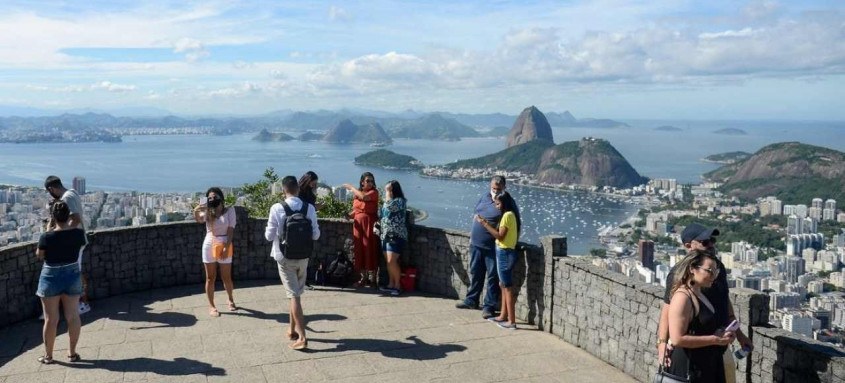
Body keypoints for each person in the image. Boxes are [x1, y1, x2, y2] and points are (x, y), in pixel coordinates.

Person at [657, 223, 753, 382]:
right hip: (694, 357)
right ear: (689, 246)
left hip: (717, 351)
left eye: (712, 240)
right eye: (705, 242)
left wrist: (740, 334)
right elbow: (667, 311)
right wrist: (661, 344)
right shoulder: (678, 276)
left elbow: (724, 301)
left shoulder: (717, 269)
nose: (711, 245)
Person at [265, 176, 321, 350]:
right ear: (297, 189)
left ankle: (303, 337)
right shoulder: (309, 208)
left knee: (294, 296)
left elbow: (268, 236)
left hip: (284, 257)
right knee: (295, 294)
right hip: (303, 257)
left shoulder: (277, 208)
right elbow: (316, 235)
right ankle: (291, 330)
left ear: (283, 190)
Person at [664, 249, 735, 382]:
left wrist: (722, 333)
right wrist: (715, 339)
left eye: (716, 271)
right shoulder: (682, 297)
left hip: (707, 365)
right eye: (709, 271)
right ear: (692, 269)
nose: (714, 276)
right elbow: (678, 339)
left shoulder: (700, 294)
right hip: (689, 369)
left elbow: (702, 328)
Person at [456, 175, 520, 319]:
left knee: (492, 277)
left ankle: (489, 307)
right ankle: (471, 300)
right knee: (476, 272)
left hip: (493, 246)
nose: (495, 191)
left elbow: (514, 224)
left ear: (504, 188)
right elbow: (476, 211)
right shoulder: (484, 197)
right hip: (476, 244)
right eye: (493, 188)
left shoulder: (507, 203)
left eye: (498, 189)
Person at [35, 201, 87, 364]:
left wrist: (49, 229)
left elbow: (40, 255)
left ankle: (48, 356)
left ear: (53, 216)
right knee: (72, 315)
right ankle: (72, 354)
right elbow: (78, 244)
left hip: (51, 275)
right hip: (72, 273)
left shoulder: (47, 236)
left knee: (51, 319)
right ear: (67, 215)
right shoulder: (78, 234)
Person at [44, 175, 91, 315]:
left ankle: (83, 303)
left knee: (75, 273)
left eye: (49, 191)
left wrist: (61, 233)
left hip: (73, 242)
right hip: (77, 239)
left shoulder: (67, 198)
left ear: (52, 188)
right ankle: (81, 302)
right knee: (76, 271)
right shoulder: (72, 192)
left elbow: (75, 219)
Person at [475, 191, 520, 329]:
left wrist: (484, 223)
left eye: (499, 203)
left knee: (507, 287)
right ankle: (503, 316)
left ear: (505, 203)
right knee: (503, 285)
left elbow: (499, 236)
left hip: (504, 252)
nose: (497, 206)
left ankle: (511, 322)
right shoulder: (512, 215)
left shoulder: (507, 216)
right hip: (506, 251)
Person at [193, 187, 237, 317]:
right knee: (210, 278)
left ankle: (230, 299)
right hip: (209, 244)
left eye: (215, 196)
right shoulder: (208, 211)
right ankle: (212, 306)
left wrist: (226, 246)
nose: (213, 199)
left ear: (221, 197)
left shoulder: (230, 210)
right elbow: (199, 220)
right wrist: (196, 211)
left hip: (225, 244)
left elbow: (230, 229)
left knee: (226, 276)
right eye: (210, 197)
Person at [343, 172, 379, 287]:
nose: (370, 183)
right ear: (362, 182)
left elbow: (364, 198)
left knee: (370, 249)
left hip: (369, 224)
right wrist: (349, 215)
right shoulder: (358, 194)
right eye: (368, 181)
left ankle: (373, 279)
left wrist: (351, 188)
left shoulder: (374, 192)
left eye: (371, 181)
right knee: (360, 250)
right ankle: (363, 278)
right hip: (359, 225)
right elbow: (357, 209)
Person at [378, 180, 408, 296]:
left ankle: (398, 285)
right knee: (388, 261)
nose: (387, 191)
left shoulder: (399, 201)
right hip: (385, 234)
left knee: (392, 260)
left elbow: (390, 207)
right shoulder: (387, 201)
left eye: (389, 189)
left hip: (396, 234)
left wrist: (387, 195)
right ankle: (391, 284)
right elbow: (382, 213)